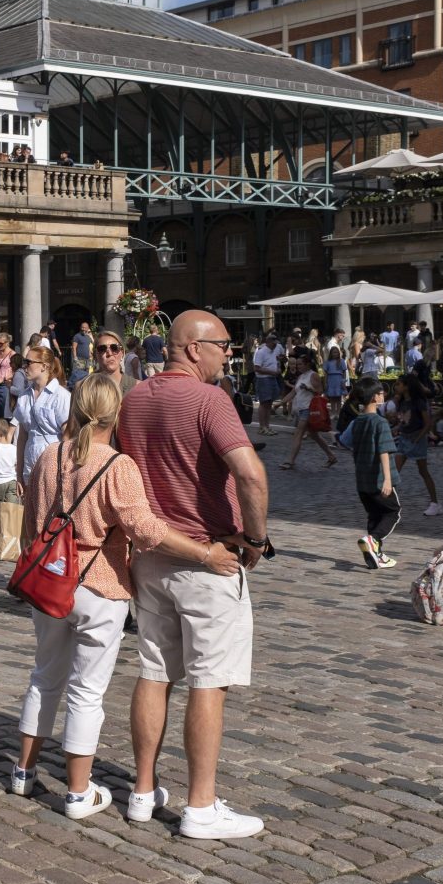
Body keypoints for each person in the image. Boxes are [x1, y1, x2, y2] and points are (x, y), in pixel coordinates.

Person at [12, 374, 238, 820]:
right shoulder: (117, 466)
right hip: (100, 585)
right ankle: (77, 793)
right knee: (86, 690)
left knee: (44, 677)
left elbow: (29, 529)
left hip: (49, 582)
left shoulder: (48, 457)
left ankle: (24, 771)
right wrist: (205, 554)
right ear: (116, 415)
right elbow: (148, 530)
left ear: (74, 409)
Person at [117, 310, 270, 841]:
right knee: (210, 681)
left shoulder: (133, 398)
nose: (230, 353)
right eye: (224, 344)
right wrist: (254, 540)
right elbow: (250, 473)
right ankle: (200, 806)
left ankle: (142, 791)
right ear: (193, 347)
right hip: (206, 556)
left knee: (154, 671)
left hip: (153, 554)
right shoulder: (209, 400)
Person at [349, 378, 399, 570]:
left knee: (374, 515)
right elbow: (383, 451)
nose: (383, 395)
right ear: (374, 397)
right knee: (393, 511)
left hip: (362, 479)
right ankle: (373, 540)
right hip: (378, 479)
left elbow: (347, 443)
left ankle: (376, 555)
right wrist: (387, 479)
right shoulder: (380, 422)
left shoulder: (357, 422)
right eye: (380, 392)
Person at [14, 347, 71, 486]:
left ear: (44, 366)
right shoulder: (24, 396)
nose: (24, 366)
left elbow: (67, 435)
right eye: (24, 362)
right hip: (30, 463)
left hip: (53, 464)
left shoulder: (60, 395)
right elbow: (22, 437)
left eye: (28, 362)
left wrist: (63, 469)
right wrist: (19, 473)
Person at [277, 351, 334, 471]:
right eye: (297, 364)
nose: (298, 366)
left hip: (309, 409)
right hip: (300, 409)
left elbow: (319, 391)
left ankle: (290, 461)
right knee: (315, 436)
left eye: (300, 364)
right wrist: (279, 404)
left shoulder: (313, 375)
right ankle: (331, 456)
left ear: (307, 364)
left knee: (298, 434)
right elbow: (293, 393)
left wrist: (309, 388)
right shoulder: (300, 376)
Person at [394, 374, 440, 516]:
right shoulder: (401, 401)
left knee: (423, 471)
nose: (396, 386)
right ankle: (388, 504)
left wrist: (419, 438)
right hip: (404, 438)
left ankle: (435, 503)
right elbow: (403, 420)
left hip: (417, 438)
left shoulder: (418, 402)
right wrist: (396, 429)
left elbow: (428, 423)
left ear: (407, 386)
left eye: (399, 384)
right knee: (394, 472)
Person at [251, 334, 281, 436]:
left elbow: (275, 362)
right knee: (264, 403)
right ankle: (262, 427)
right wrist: (272, 372)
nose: (275, 345)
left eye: (275, 343)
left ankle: (267, 426)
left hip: (272, 378)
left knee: (269, 403)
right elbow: (257, 368)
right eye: (273, 343)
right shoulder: (261, 352)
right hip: (263, 379)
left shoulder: (274, 351)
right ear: (268, 342)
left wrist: (278, 367)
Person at [92, 330, 136, 397]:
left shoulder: (137, 387)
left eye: (114, 348)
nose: (109, 353)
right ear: (95, 356)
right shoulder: (82, 388)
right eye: (102, 349)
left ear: (122, 353)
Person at [0, 334, 15, 420]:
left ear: (7, 342)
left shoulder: (12, 354)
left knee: (5, 413)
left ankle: (7, 432)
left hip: (5, 386)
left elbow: (18, 370)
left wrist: (6, 377)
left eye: (1, 343)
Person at [68, 322, 94, 388]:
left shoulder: (88, 337)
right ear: (80, 328)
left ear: (88, 328)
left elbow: (91, 345)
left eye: (85, 328)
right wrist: (75, 358)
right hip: (79, 359)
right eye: (82, 327)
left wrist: (91, 335)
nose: (83, 329)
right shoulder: (77, 336)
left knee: (86, 374)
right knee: (77, 375)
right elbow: (74, 347)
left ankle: (83, 387)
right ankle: (73, 388)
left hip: (87, 359)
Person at [323, 346, 347, 416]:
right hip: (331, 379)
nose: (335, 354)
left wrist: (344, 380)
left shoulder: (341, 361)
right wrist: (325, 382)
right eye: (333, 352)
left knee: (338, 397)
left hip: (339, 379)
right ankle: (333, 412)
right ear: (331, 353)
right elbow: (326, 373)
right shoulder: (328, 362)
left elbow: (344, 371)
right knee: (332, 397)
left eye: (336, 352)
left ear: (338, 353)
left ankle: (338, 413)